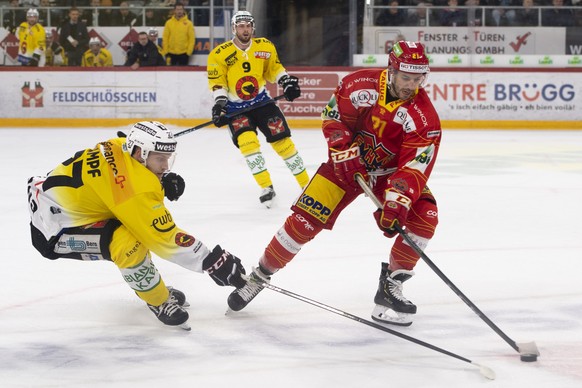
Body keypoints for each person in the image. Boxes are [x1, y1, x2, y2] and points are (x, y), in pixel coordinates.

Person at [227, 41, 442, 328]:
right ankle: (259, 276)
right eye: (406, 78)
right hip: (345, 166)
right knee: (303, 222)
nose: (411, 86)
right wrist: (341, 147)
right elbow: (333, 116)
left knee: (424, 217)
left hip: (388, 174)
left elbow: (414, 167)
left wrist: (396, 202)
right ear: (391, 70)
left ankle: (390, 287)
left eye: (418, 79)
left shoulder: (424, 116)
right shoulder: (359, 85)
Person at [27, 121, 247, 329]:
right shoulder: (130, 190)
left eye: (167, 158)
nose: (165, 165)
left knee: (132, 227)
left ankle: (153, 289)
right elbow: (164, 237)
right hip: (55, 232)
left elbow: (124, 162)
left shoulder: (119, 146)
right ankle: (158, 301)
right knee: (128, 243)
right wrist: (211, 261)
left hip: (52, 203)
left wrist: (161, 178)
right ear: (140, 153)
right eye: (160, 158)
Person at [207, 10, 309, 208]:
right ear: (234, 28)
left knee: (283, 142)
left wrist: (286, 81)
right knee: (248, 144)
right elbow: (217, 82)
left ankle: (306, 184)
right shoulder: (219, 54)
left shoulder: (265, 46)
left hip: (262, 103)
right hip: (236, 109)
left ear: (253, 27)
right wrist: (220, 104)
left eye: (248, 26)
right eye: (240, 26)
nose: (245, 30)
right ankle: (266, 187)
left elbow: (274, 69)